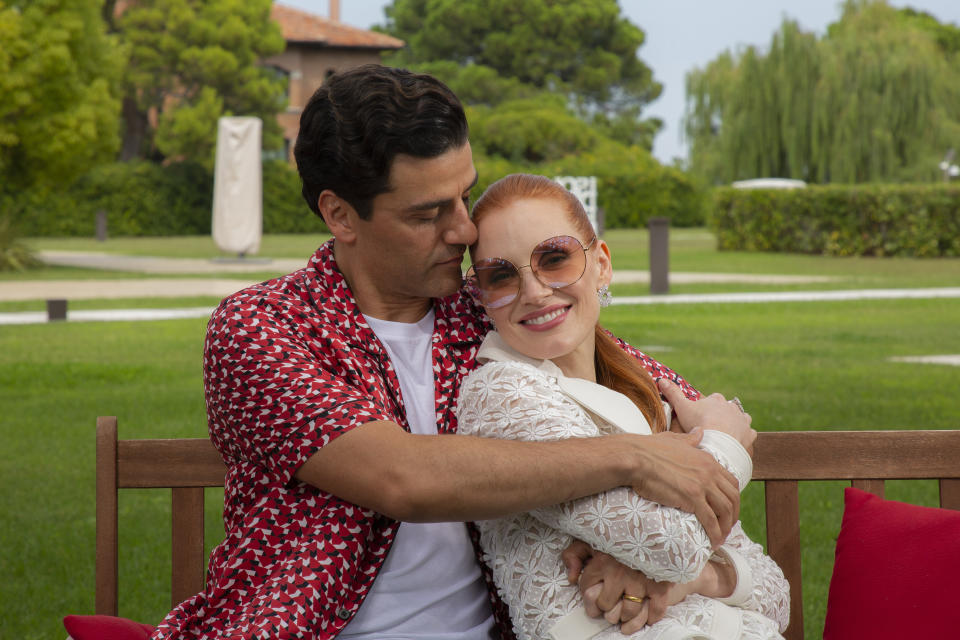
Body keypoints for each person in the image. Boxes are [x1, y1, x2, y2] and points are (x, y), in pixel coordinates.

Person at [150, 65, 743, 640]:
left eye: (463, 195)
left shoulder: (494, 305)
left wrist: (675, 569)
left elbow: (686, 411)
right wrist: (631, 458)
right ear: (339, 214)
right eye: (428, 213)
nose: (463, 231)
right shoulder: (263, 328)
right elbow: (404, 478)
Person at [456, 173, 790, 639]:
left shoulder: (642, 391)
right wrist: (725, 443)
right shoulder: (499, 397)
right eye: (501, 275)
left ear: (601, 264)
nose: (533, 291)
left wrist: (683, 581)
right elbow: (674, 545)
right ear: (482, 296)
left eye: (554, 258)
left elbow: (776, 596)